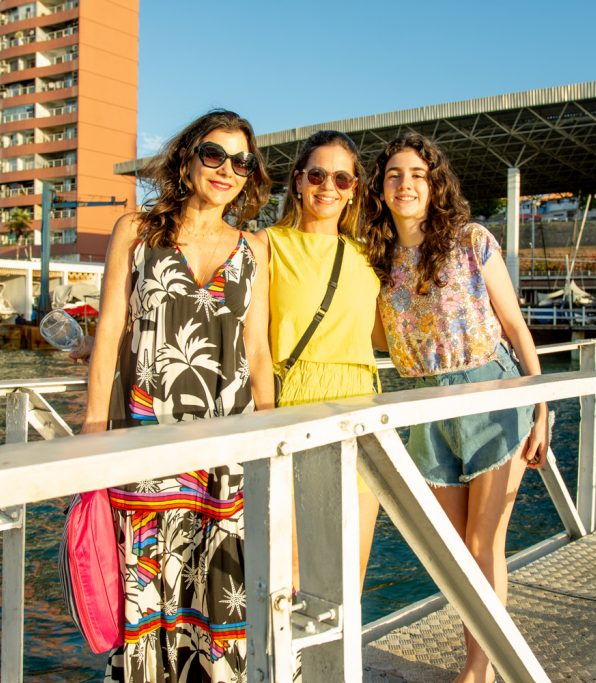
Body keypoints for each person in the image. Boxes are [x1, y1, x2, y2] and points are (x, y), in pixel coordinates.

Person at [82, 110, 274, 683]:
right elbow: (111, 328)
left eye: (242, 162)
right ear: (187, 158)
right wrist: (93, 427)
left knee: (220, 594)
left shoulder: (253, 248)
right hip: (147, 439)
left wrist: (273, 439)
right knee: (150, 591)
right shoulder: (136, 232)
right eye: (214, 154)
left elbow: (257, 349)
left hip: (229, 449)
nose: (227, 170)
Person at [362, 132, 548, 683]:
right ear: (381, 187)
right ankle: (480, 659)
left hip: (493, 393)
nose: (406, 184)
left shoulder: (471, 240)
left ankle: (479, 668)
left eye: (417, 174)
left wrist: (541, 409)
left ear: (434, 182)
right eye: (394, 174)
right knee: (454, 552)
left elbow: (515, 327)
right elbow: (376, 339)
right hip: (426, 404)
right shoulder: (377, 260)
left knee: (481, 541)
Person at [259, 130, 382, 586]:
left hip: (362, 407)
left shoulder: (369, 256)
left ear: (354, 191)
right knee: (289, 574)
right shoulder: (266, 245)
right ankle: (286, 662)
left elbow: (392, 336)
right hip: (291, 405)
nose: (328, 186)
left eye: (342, 179)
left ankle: (345, 659)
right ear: (297, 181)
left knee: (352, 571)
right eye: (317, 174)